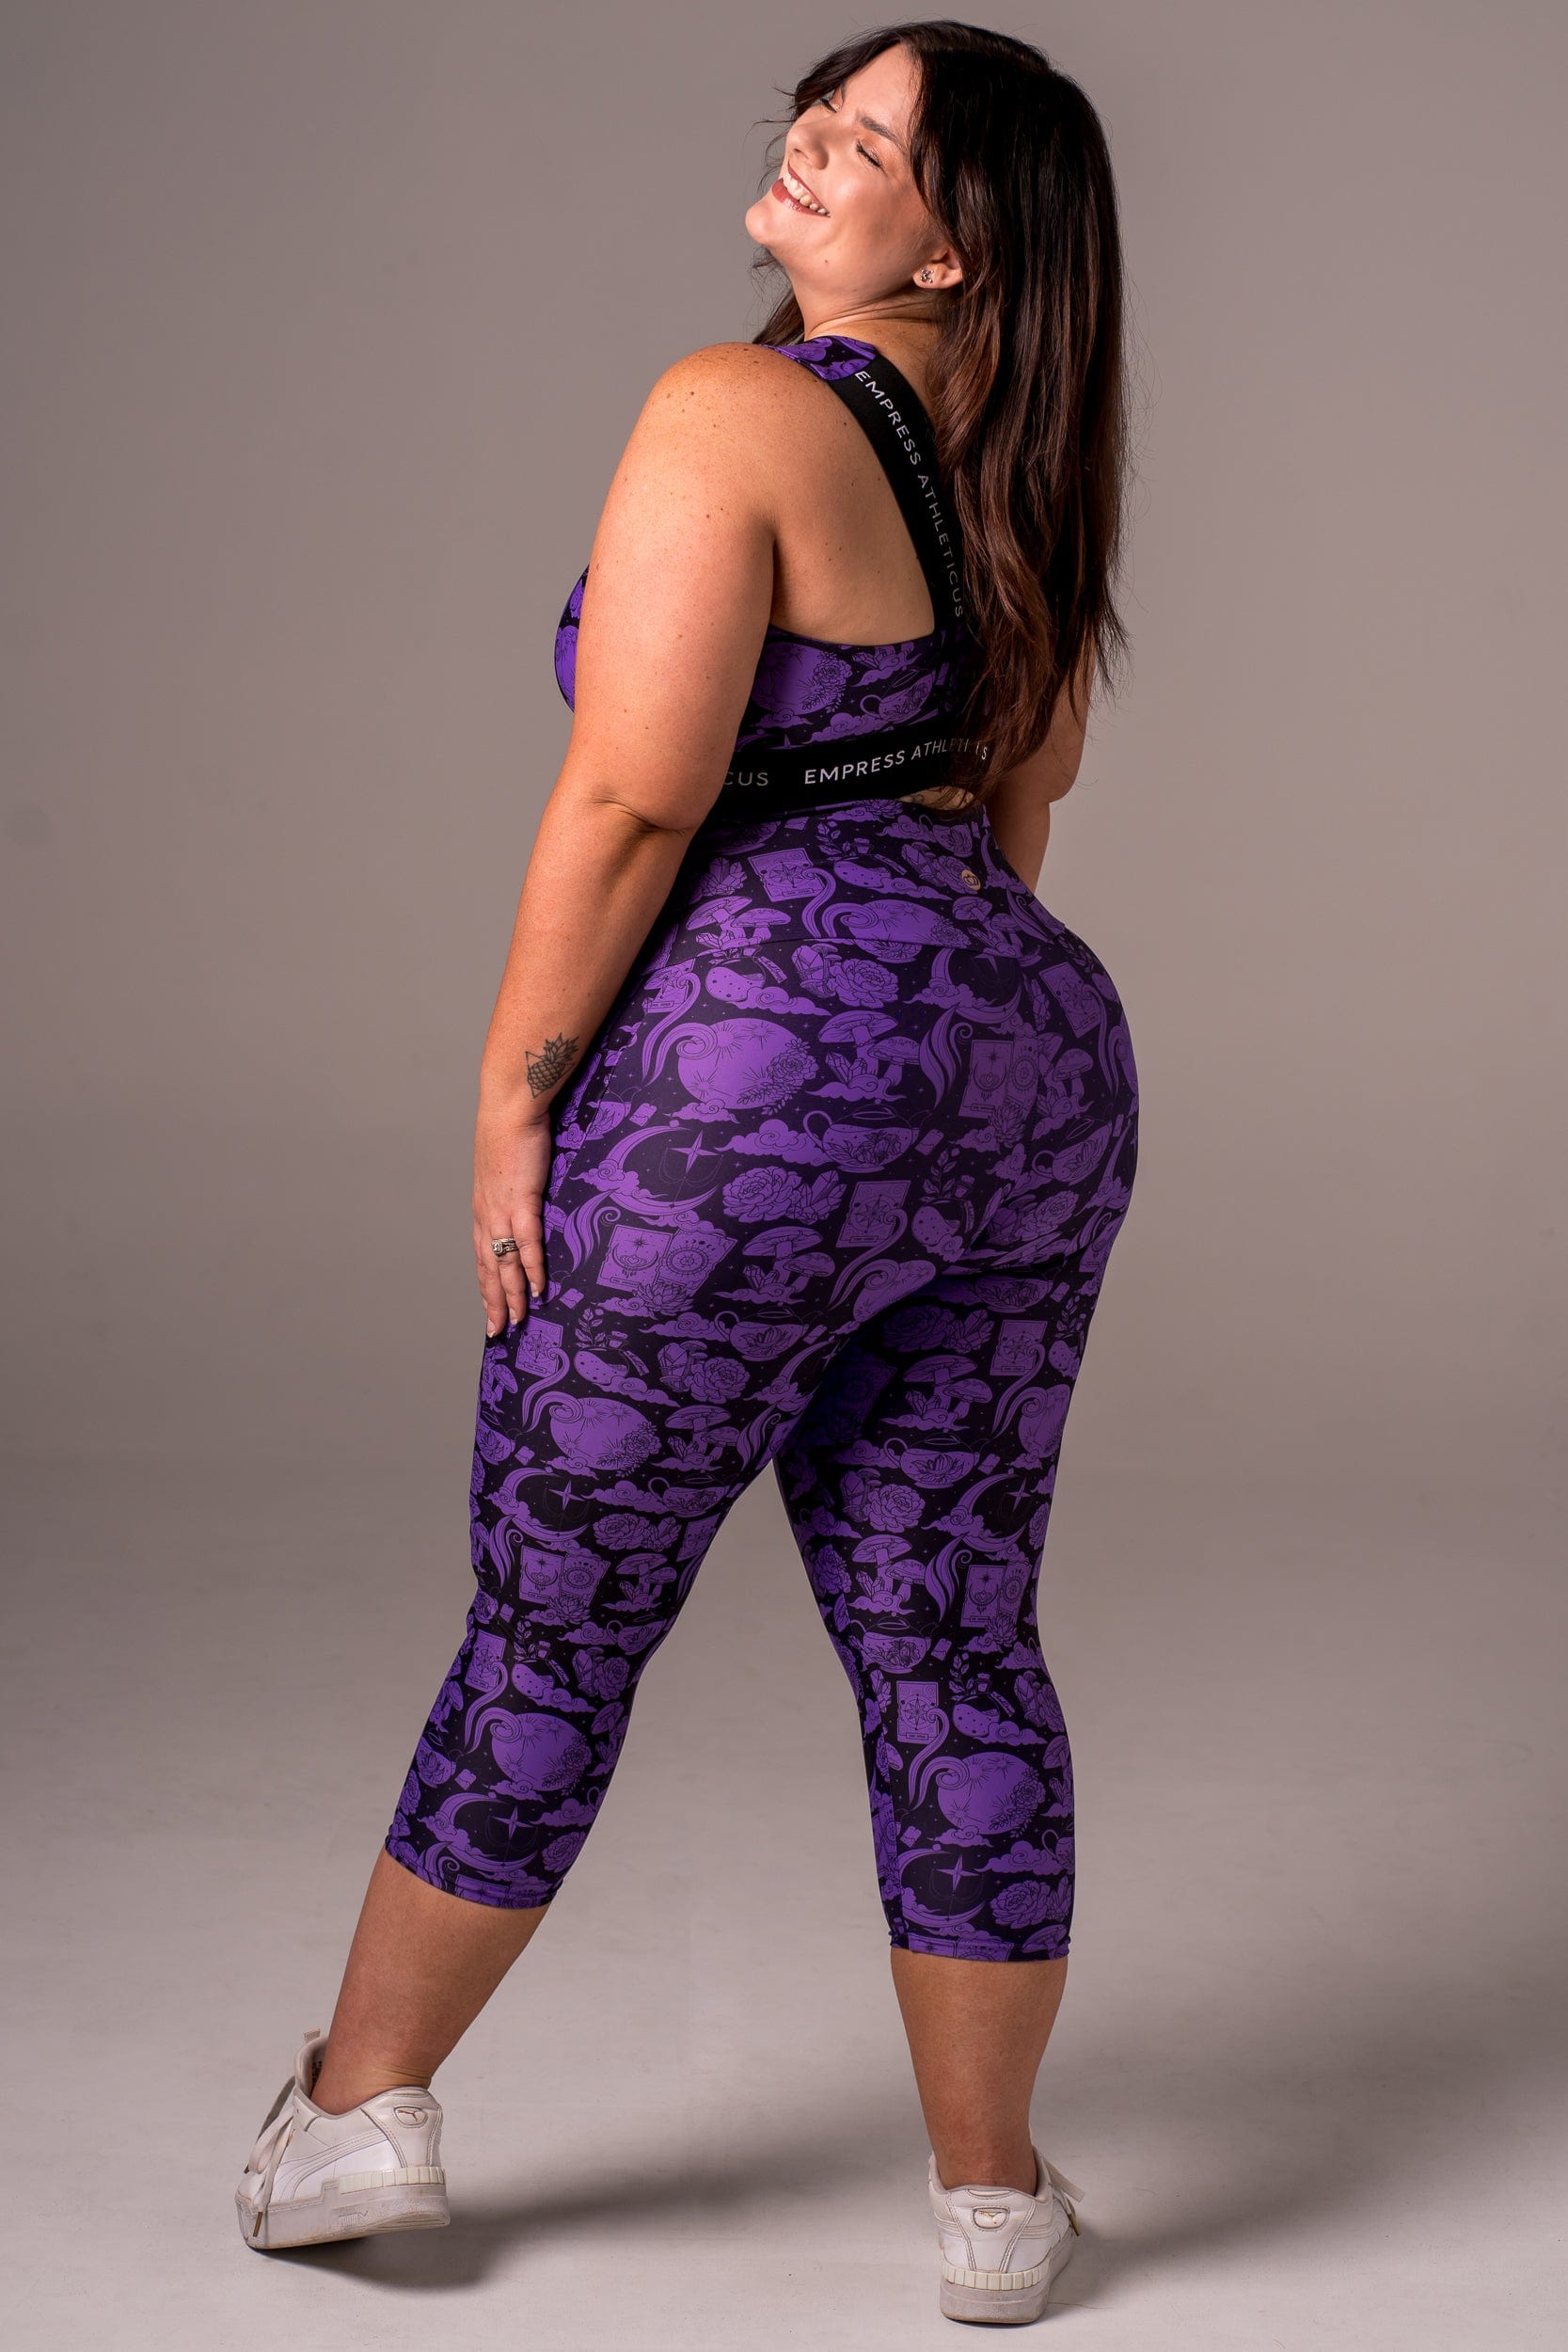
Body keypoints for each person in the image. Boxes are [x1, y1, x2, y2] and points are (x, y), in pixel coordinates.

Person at [236, 20, 1139, 2328]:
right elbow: (1010, 816)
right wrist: (918, 1067)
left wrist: (516, 1087)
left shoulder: (734, 412)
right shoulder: (1030, 468)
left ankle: (355, 2113)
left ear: (956, 242)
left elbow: (639, 794)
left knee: (562, 1610)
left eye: (871, 137)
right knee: (952, 1622)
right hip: (1029, 1069)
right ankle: (995, 2203)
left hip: (747, 1084)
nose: (811, 139)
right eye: (818, 108)